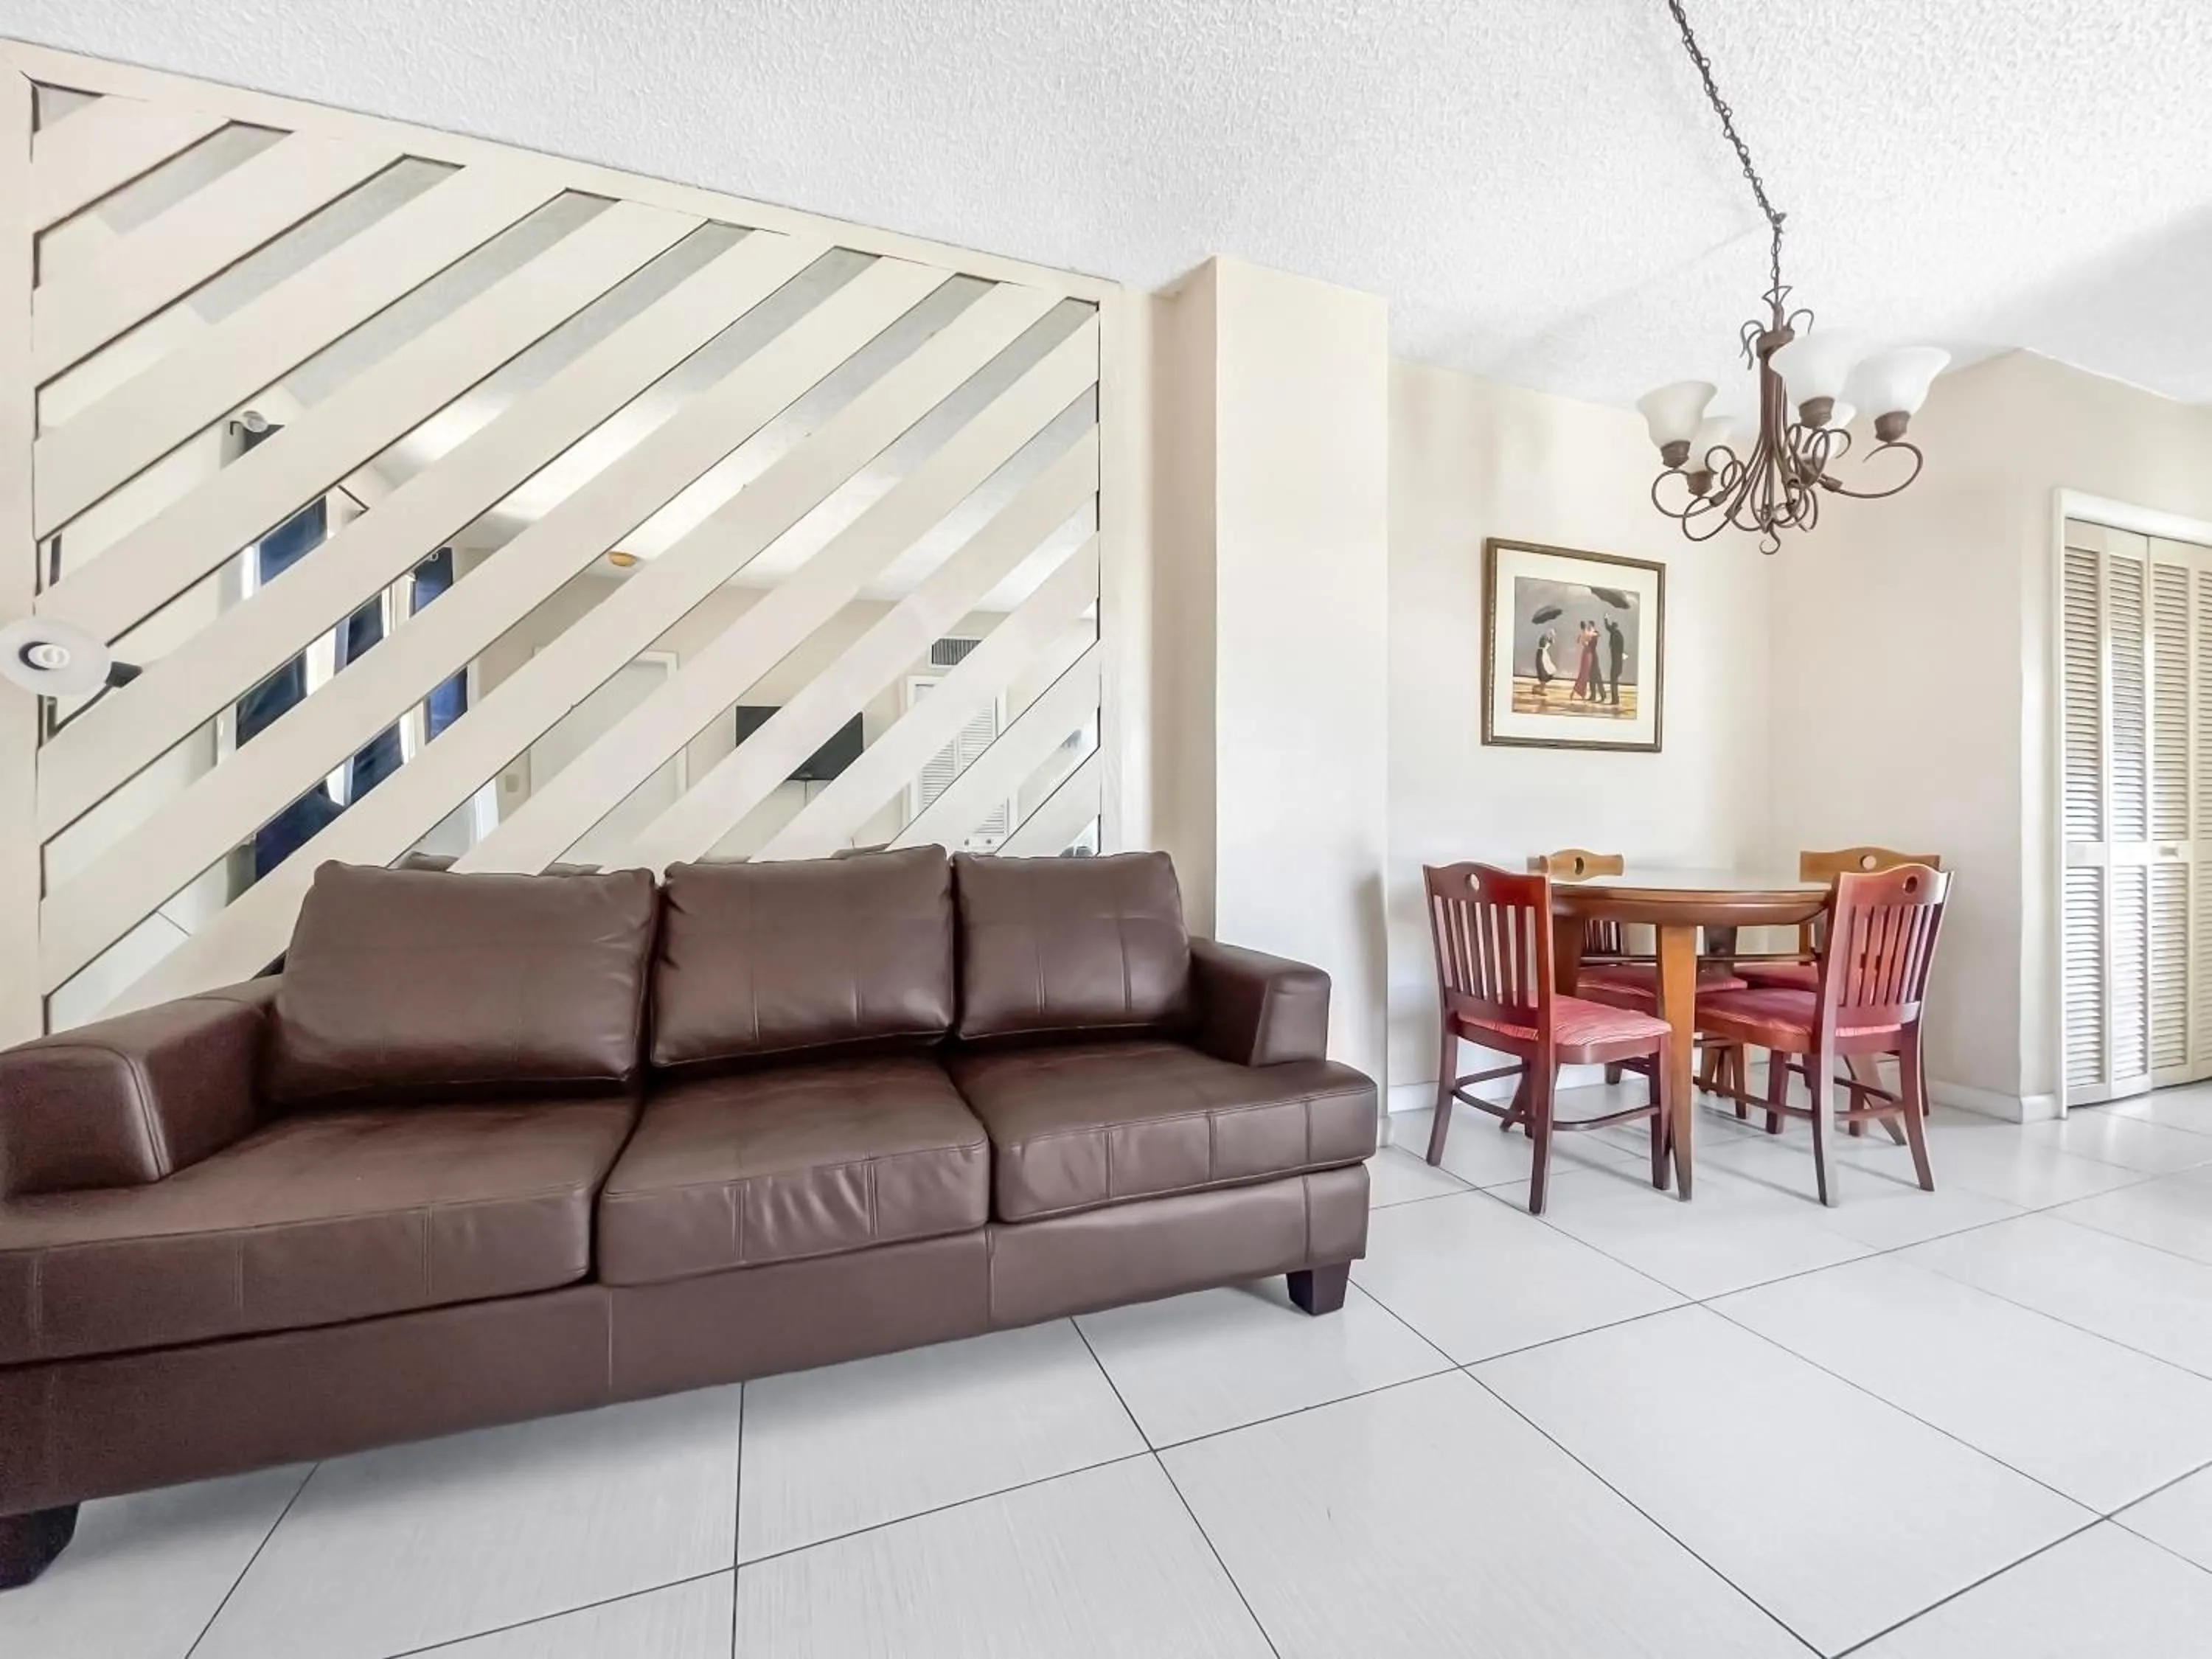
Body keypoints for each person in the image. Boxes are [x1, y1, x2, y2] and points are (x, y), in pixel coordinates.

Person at [1573, 621, 1599, 701]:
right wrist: (1594, 632)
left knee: (1583, 673)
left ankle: (1578, 692)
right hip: (1588, 653)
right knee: (1585, 673)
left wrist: (1582, 641)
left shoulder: (1582, 634)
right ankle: (1581, 693)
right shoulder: (1588, 633)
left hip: (1585, 652)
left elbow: (1578, 641)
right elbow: (1596, 635)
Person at [1605, 616, 1627, 708]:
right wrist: (1606, 619)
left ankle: (1615, 700)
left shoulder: (1616, 635)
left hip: (1617, 662)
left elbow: (1619, 650)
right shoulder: (1615, 633)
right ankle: (1615, 699)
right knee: (1614, 681)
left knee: (1613, 680)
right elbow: (1608, 627)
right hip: (1616, 661)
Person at [1533, 627, 1559, 699]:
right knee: (1543, 671)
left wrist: (1551, 640)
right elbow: (1543, 645)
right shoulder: (1545, 637)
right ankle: (1541, 690)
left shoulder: (1548, 638)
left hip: (1544, 654)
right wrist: (1550, 640)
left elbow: (1551, 643)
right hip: (1542, 654)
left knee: (1549, 670)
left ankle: (1537, 688)